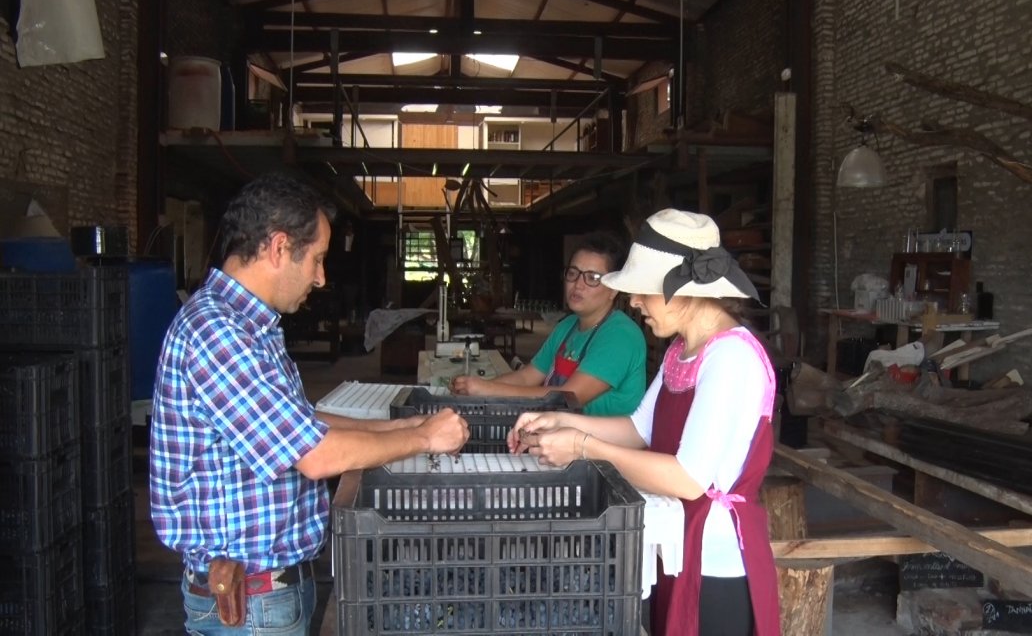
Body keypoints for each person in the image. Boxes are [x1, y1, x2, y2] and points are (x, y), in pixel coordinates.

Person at [150, 171, 469, 635]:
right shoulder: (218, 334)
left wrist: (404, 428)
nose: (321, 278)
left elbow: (300, 424)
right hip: (252, 603)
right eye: (317, 259)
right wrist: (423, 438)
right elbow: (314, 455)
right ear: (279, 247)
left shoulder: (249, 326)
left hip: (268, 591)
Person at [507, 209, 780, 636]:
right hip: (672, 541)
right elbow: (639, 430)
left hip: (713, 560)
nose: (633, 302)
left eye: (644, 292)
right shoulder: (682, 351)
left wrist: (582, 445)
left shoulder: (731, 358)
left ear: (687, 291)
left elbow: (688, 478)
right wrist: (554, 418)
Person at [450, 231, 646, 416]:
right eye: (573, 273)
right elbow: (527, 377)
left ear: (613, 289)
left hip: (599, 448)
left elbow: (568, 397)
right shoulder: (567, 326)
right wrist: (476, 389)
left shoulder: (621, 335)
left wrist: (489, 390)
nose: (578, 284)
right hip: (561, 436)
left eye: (592, 278)